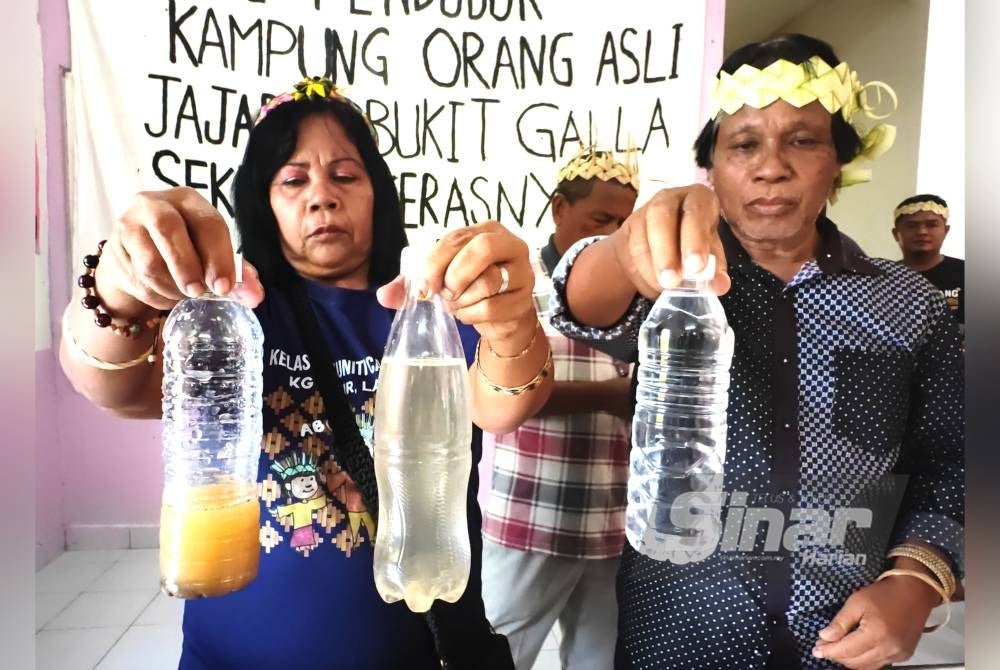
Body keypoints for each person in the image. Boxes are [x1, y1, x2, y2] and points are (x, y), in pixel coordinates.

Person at [59, 75, 553, 670]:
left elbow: (507, 401)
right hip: (229, 657)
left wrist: (511, 323)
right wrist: (114, 287)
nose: (322, 195)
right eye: (293, 180)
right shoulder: (235, 317)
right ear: (263, 204)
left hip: (418, 648)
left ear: (378, 194)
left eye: (345, 175)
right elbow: (116, 386)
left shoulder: (435, 317)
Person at [547, 35, 964, 670]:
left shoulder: (912, 304)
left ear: (839, 163)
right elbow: (581, 304)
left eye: (802, 140)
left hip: (844, 640)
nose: (772, 166)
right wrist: (634, 237)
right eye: (743, 144)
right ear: (711, 168)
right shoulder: (672, 283)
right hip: (677, 634)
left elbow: (952, 460)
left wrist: (916, 580)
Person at [480, 146, 637, 669]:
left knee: (598, 660)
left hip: (613, 519)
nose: (614, 232)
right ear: (558, 209)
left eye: (624, 222)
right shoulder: (513, 288)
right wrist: (613, 397)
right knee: (502, 653)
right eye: (601, 218)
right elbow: (495, 396)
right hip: (531, 514)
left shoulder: (637, 294)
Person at [892, 193, 964, 332]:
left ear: (946, 230)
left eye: (931, 225)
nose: (922, 232)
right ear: (896, 233)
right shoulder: (881, 278)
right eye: (912, 226)